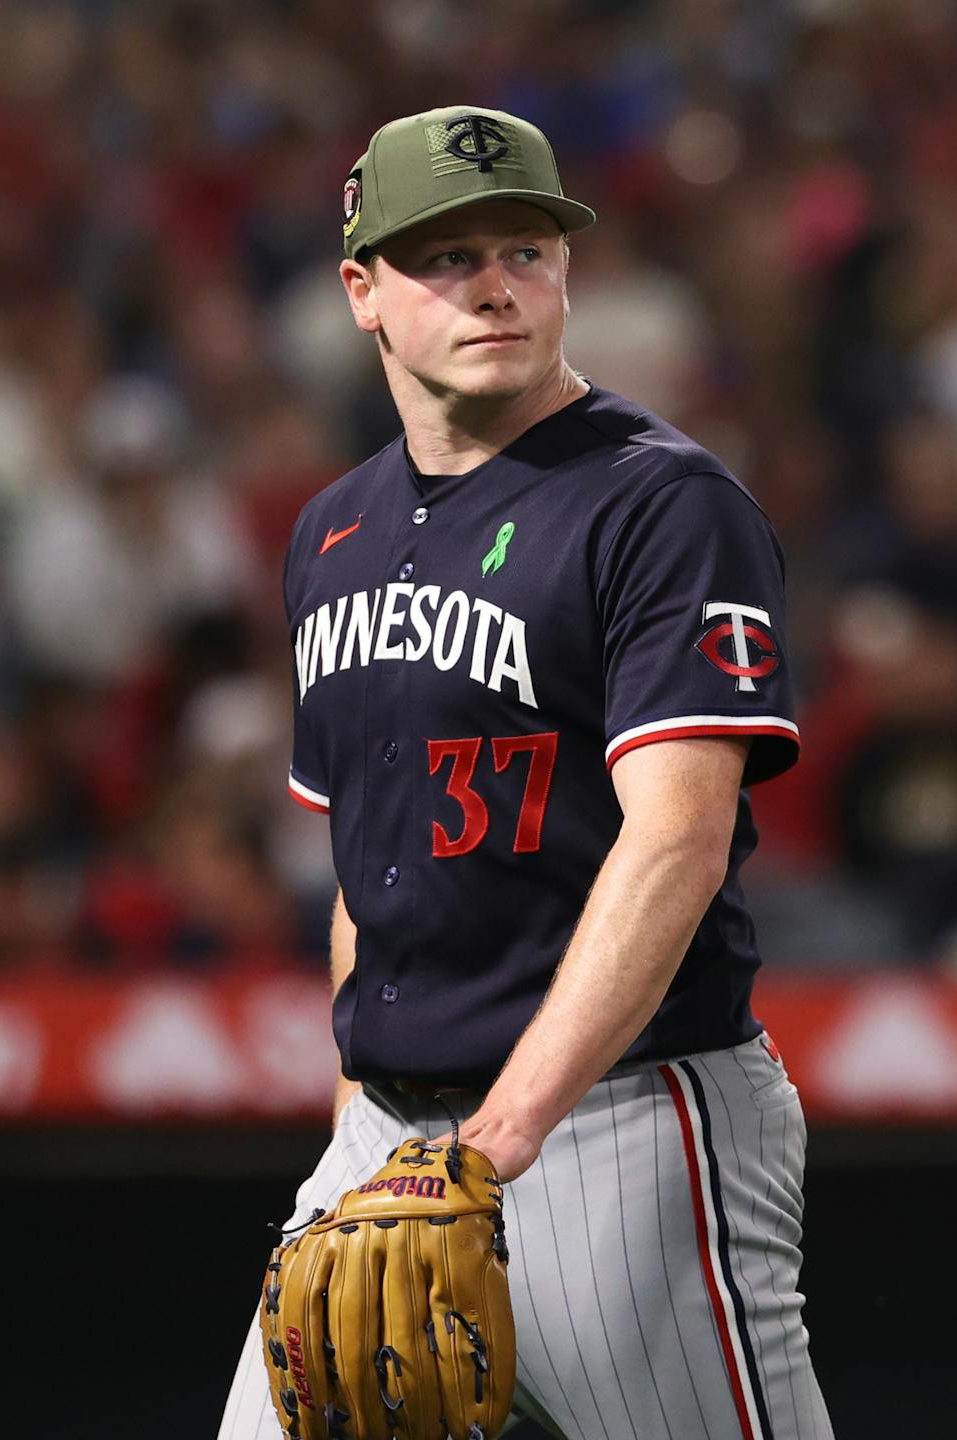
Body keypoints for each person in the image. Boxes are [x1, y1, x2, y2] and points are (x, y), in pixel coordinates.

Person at [216, 106, 833, 1440]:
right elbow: (361, 874)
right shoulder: (332, 531)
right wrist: (357, 1137)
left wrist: (498, 1139)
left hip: (624, 1123)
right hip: (390, 1139)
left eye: (526, 248)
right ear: (361, 293)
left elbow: (677, 841)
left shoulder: (662, 503)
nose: (495, 284)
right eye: (444, 256)